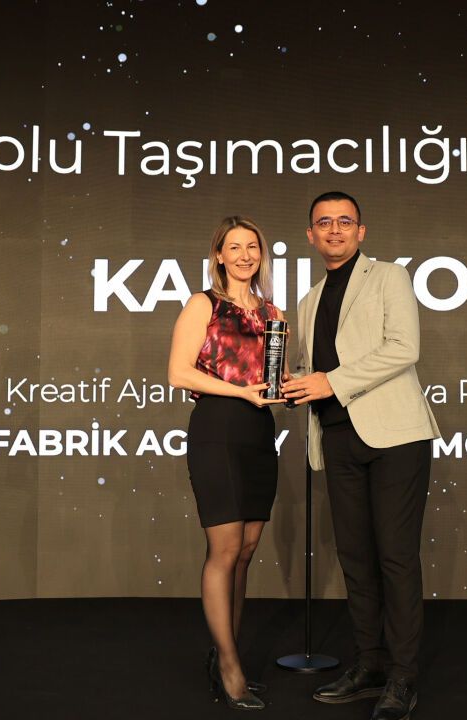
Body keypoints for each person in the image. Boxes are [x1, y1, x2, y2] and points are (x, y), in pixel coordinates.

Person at [282, 192, 440, 720]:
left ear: (361, 231)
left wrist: (330, 381)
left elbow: (404, 348)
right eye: (324, 222)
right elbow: (311, 371)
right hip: (336, 438)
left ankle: (403, 677)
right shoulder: (309, 300)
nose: (335, 229)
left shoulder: (389, 276)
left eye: (344, 221)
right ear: (310, 235)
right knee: (355, 557)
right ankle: (369, 664)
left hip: (395, 437)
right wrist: (291, 384)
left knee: (395, 556)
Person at [167, 216, 286, 711]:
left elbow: (273, 379)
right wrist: (241, 392)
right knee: (225, 548)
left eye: (251, 246)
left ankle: (224, 653)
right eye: (233, 247)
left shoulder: (274, 313)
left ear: (261, 254)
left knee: (247, 549)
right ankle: (231, 667)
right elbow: (178, 373)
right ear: (218, 254)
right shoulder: (204, 304)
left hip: (259, 432)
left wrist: (288, 387)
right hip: (217, 429)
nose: (244, 255)